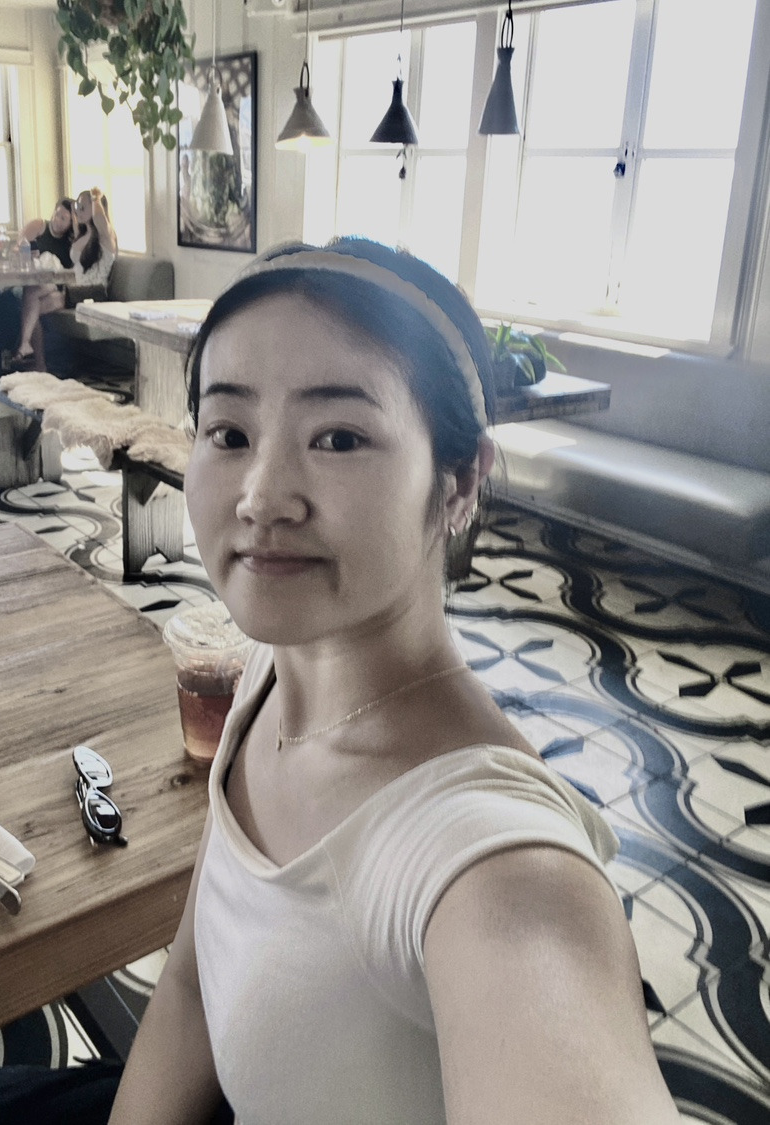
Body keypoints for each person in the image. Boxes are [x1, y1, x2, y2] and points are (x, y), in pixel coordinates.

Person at [104, 238, 681, 1123]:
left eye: (339, 437)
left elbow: (541, 976)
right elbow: (189, 987)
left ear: (460, 483)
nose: (262, 496)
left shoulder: (493, 864)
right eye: (230, 433)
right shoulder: (270, 675)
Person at [10, 187, 117, 371]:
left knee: (31, 310)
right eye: (77, 206)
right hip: (72, 286)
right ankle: (27, 348)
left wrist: (95, 197)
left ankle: (36, 360)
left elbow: (100, 218)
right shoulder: (82, 233)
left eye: (83, 207)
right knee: (31, 291)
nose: (78, 210)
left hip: (91, 292)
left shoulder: (105, 235)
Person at [18, 199, 74, 269]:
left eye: (63, 218)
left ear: (71, 223)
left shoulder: (73, 239)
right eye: (56, 214)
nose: (57, 220)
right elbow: (18, 248)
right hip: (35, 273)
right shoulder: (38, 226)